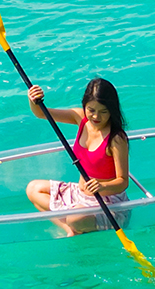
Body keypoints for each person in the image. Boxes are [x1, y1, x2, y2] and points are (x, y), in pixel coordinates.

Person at [25, 78, 131, 234]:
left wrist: (102, 186)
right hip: (79, 195)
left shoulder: (116, 139)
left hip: (107, 202)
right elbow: (42, 113)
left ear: (112, 110)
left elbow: (123, 182)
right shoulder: (80, 117)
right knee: (33, 188)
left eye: (103, 111)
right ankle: (69, 229)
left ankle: (74, 224)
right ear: (84, 105)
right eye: (91, 110)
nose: (96, 117)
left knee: (75, 218)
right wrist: (33, 99)